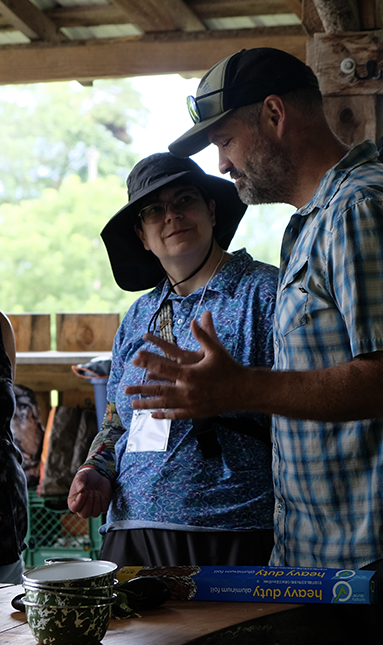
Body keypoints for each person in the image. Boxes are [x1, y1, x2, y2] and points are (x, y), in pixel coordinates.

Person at [128, 47, 383, 572]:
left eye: (224, 140)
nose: (220, 163)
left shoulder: (359, 209)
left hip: (365, 561)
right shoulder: (313, 223)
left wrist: (241, 389)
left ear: (274, 114)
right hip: (314, 555)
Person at [66, 153, 278, 567]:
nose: (172, 216)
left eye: (184, 200)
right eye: (154, 211)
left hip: (232, 528)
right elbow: (116, 423)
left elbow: (305, 404)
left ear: (212, 211)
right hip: (130, 532)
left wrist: (230, 394)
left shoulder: (264, 294)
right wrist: (96, 470)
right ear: (142, 236)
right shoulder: (138, 317)